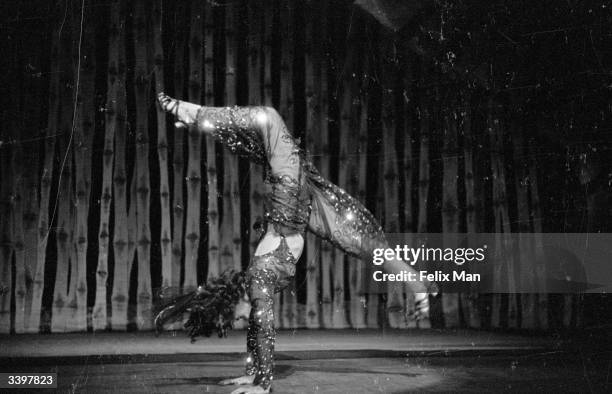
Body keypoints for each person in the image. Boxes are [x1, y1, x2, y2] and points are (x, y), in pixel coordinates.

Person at [156, 93, 438, 394]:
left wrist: (261, 383)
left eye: (232, 317)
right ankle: (417, 284)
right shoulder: (255, 286)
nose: (239, 320)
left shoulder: (256, 282)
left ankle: (196, 114)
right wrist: (253, 374)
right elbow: (259, 326)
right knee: (359, 242)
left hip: (288, 203)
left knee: (269, 118)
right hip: (293, 210)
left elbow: (262, 328)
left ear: (230, 305)